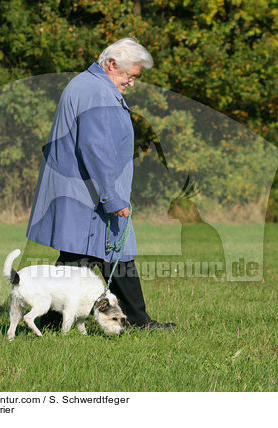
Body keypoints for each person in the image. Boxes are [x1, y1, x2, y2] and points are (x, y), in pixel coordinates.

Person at [26, 37, 175, 330]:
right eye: (130, 76)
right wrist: (113, 198)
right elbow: (96, 150)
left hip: (82, 191)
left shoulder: (87, 85)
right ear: (111, 65)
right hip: (91, 193)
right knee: (95, 254)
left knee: (93, 255)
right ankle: (134, 320)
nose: (132, 82)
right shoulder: (97, 92)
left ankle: (56, 319)